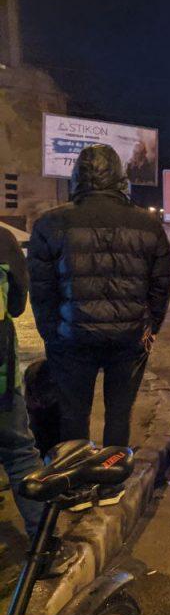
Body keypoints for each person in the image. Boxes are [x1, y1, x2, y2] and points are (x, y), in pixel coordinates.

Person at [27, 144, 170, 495]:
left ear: (77, 176)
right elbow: (160, 286)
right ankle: (110, 486)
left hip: (72, 337)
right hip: (128, 339)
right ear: (121, 177)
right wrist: (149, 328)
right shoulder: (148, 225)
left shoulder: (51, 222)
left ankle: (75, 489)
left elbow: (42, 292)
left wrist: (53, 335)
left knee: (73, 414)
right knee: (119, 413)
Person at [0, 224, 44, 537]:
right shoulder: (3, 239)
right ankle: (45, 545)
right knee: (19, 452)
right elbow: (16, 305)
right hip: (1, 373)